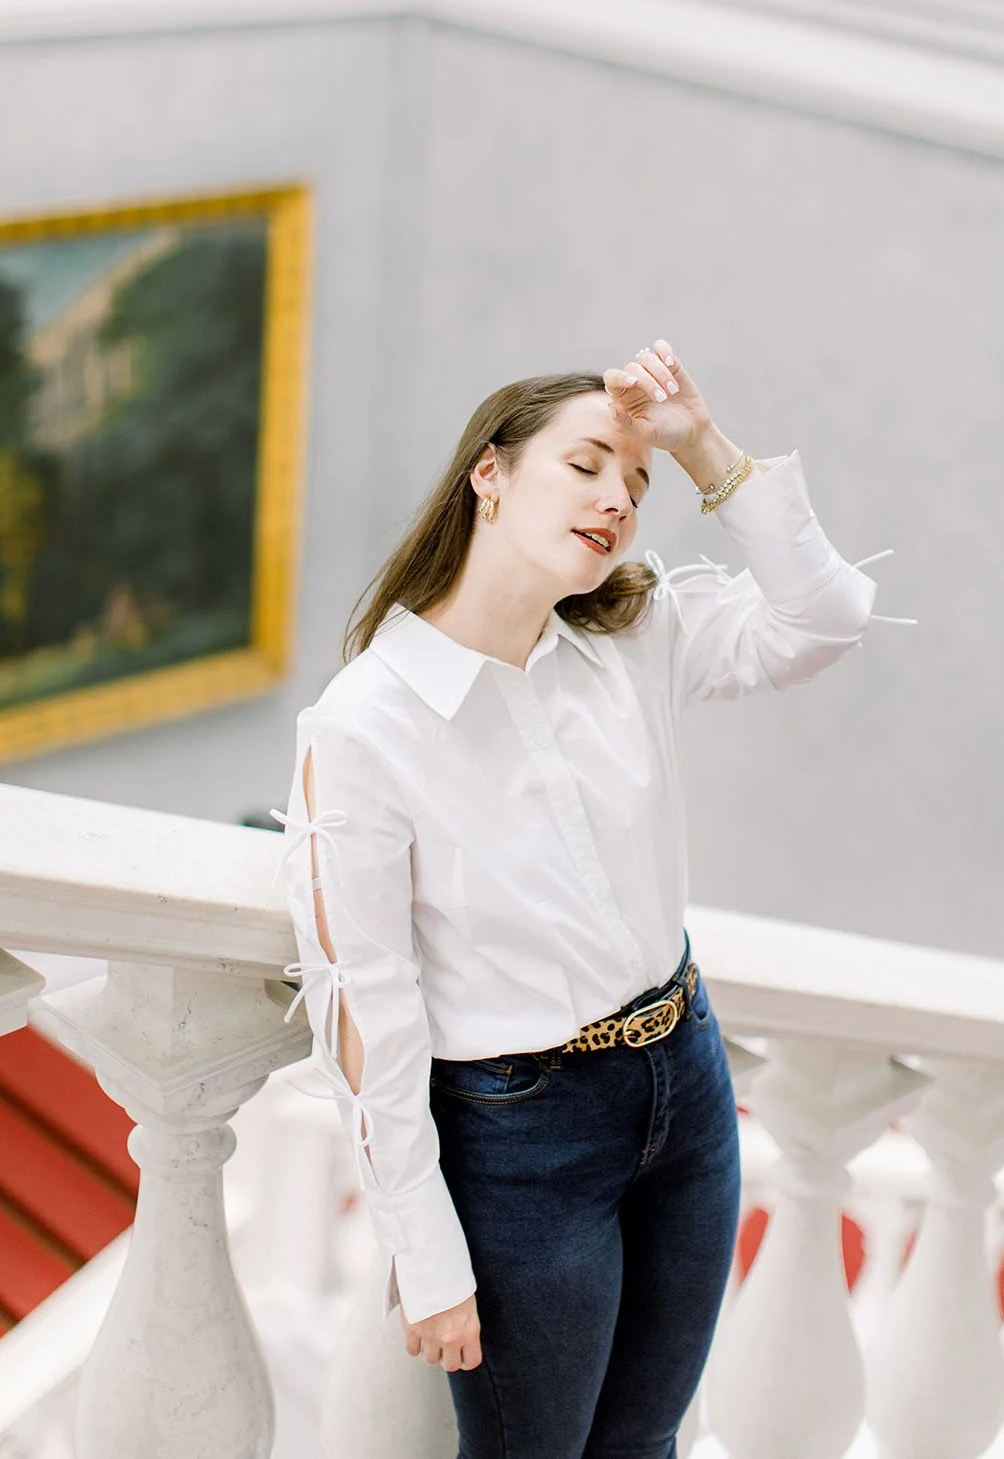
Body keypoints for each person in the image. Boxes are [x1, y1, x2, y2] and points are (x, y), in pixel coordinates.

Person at [274, 338, 903, 1459]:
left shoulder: (633, 635)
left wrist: (703, 445)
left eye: (637, 481)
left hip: (687, 1082)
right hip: (522, 1138)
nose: (618, 497)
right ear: (491, 472)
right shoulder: (367, 725)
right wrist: (426, 1252)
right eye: (587, 465)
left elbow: (827, 618)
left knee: (646, 1444)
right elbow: (368, 1003)